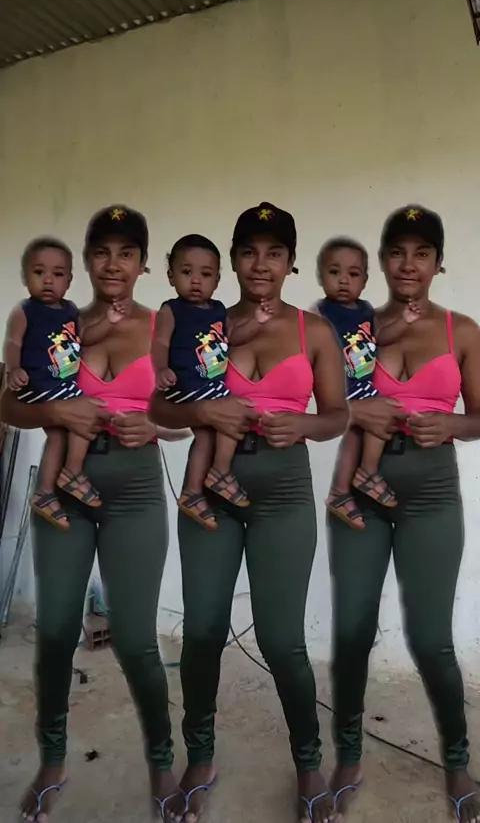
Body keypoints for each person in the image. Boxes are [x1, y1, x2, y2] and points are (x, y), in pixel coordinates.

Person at [150, 201, 348, 823]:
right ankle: (200, 757)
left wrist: (304, 425)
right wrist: (200, 411)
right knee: (203, 632)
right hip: (210, 493)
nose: (261, 264)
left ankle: (308, 762)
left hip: (282, 494)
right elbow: (160, 407)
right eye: (248, 252)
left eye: (274, 253)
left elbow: (337, 414)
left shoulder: (315, 332)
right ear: (233, 259)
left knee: (282, 641)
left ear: (292, 262)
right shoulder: (202, 320)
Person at [0, 205, 189, 823]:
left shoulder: (165, 326)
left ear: (142, 263)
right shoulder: (58, 321)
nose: (113, 264)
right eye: (102, 252)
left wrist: (156, 426)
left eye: (126, 253)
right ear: (86, 261)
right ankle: (53, 760)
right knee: (57, 631)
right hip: (63, 492)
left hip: (135, 492)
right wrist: (55, 411)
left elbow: (195, 412)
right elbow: (11, 405)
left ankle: (161, 761)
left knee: (135, 639)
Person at [328, 205, 480, 823]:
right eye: (397, 252)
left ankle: (457, 761)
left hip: (432, 495)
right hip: (361, 493)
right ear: (383, 261)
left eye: (422, 253)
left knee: (432, 639)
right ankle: (347, 756)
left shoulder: (462, 331)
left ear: (438, 263)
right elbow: (318, 404)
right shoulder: (354, 324)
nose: (408, 264)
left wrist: (453, 425)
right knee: (352, 633)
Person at [3, 236, 128, 530]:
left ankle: (49, 489)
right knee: (81, 416)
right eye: (39, 272)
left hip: (62, 386)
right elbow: (12, 342)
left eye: (58, 274)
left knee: (68, 430)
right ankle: (69, 474)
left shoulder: (71, 311)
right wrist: (14, 369)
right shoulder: (26, 311)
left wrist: (108, 320)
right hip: (38, 383)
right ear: (24, 276)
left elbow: (86, 337)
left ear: (69, 280)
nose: (48, 280)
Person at [152, 232, 274, 530]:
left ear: (217, 280)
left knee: (226, 423)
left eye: (205, 275)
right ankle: (208, 482)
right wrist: (161, 370)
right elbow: (160, 343)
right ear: (171, 276)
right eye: (186, 272)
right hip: (186, 383)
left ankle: (207, 482)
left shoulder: (219, 310)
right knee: (218, 427)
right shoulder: (172, 310)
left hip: (211, 385)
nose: (196, 281)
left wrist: (256, 322)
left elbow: (233, 338)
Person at [312, 237, 422, 530]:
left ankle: (342, 490)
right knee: (378, 418)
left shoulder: (365, 311)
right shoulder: (321, 313)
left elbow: (380, 338)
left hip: (365, 382)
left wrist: (404, 321)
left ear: (364, 280)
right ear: (320, 277)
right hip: (343, 385)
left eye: (353, 274)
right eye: (334, 272)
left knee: (364, 430)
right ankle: (367, 473)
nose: (344, 280)